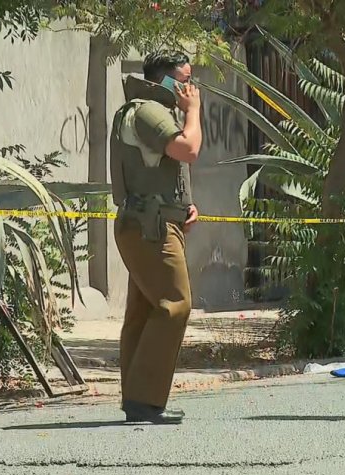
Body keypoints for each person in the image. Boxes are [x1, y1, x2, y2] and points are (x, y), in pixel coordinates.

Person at [109, 51, 203, 424]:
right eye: (183, 80)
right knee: (175, 305)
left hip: (152, 224)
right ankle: (145, 401)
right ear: (163, 79)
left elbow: (167, 167)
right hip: (150, 228)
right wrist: (194, 111)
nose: (189, 89)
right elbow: (189, 149)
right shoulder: (148, 111)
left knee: (144, 311)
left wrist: (186, 207)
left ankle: (139, 400)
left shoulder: (153, 112)